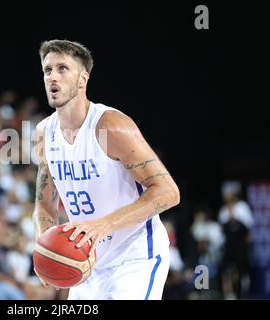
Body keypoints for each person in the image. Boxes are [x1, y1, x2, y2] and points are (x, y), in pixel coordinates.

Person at [32, 39, 180, 300]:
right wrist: (47, 250)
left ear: (82, 79)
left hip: (134, 259)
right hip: (86, 263)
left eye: (62, 68)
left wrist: (103, 225)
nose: (53, 76)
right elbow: (44, 205)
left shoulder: (110, 126)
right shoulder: (44, 133)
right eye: (47, 70)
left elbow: (168, 192)